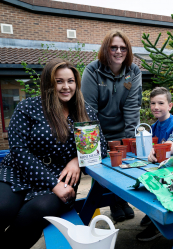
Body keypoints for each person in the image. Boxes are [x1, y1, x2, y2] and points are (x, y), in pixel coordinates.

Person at [0, 58, 107, 248]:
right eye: (59, 81)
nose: (66, 87)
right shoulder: (28, 108)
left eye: (70, 81)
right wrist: (53, 183)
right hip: (18, 172)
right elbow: (18, 151)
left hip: (60, 177)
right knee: (3, 208)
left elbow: (101, 146)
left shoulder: (85, 111)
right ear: (48, 83)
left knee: (36, 212)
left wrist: (76, 160)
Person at [81, 29, 142, 222]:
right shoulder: (92, 71)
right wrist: (100, 143)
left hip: (122, 131)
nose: (118, 51)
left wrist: (127, 140)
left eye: (123, 48)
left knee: (123, 166)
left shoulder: (133, 72)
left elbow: (132, 108)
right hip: (98, 131)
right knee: (100, 171)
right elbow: (88, 111)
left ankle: (119, 200)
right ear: (106, 49)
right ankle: (105, 202)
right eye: (113, 47)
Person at [137, 87, 173, 240]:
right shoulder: (153, 127)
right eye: (153, 103)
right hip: (156, 166)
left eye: (161, 103)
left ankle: (158, 224)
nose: (155, 107)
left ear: (170, 106)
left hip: (171, 170)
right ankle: (152, 214)